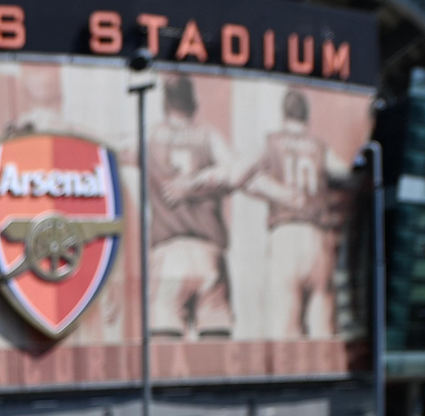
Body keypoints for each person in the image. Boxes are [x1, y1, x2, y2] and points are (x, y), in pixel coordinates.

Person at [240, 89, 353, 339]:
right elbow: (347, 175)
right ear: (307, 115)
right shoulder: (320, 147)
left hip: (285, 232)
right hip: (316, 236)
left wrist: (270, 189)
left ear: (284, 114)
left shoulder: (271, 142)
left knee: (285, 326)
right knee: (321, 324)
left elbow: (240, 176)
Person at [146, 74, 236, 340]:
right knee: (216, 342)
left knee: (164, 343)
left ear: (165, 104)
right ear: (194, 104)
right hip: (208, 253)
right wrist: (198, 182)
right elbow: (233, 171)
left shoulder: (151, 136)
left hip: (169, 254)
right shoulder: (209, 136)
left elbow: (112, 145)